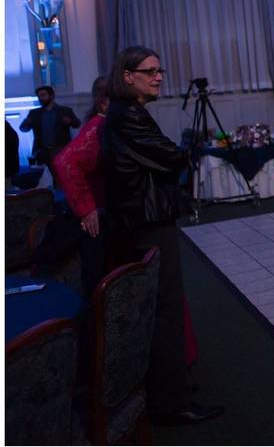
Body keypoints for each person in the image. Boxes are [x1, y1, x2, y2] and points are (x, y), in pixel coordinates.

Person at [102, 46, 223, 424]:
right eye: (150, 71)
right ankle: (171, 402)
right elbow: (172, 157)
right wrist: (181, 154)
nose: (158, 77)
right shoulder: (127, 116)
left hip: (145, 219)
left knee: (165, 307)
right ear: (127, 76)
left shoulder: (129, 113)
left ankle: (170, 394)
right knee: (165, 309)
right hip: (147, 222)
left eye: (160, 71)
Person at [49, 77, 111, 296]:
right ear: (103, 102)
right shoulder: (99, 126)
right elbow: (64, 162)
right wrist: (87, 209)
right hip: (98, 213)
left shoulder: (100, 123)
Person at [19, 85, 80, 169]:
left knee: (61, 176)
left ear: (52, 96)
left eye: (43, 95)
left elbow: (77, 124)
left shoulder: (65, 111)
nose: (40, 98)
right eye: (39, 96)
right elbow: (23, 129)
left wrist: (70, 121)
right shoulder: (34, 113)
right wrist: (25, 122)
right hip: (42, 152)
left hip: (60, 150)